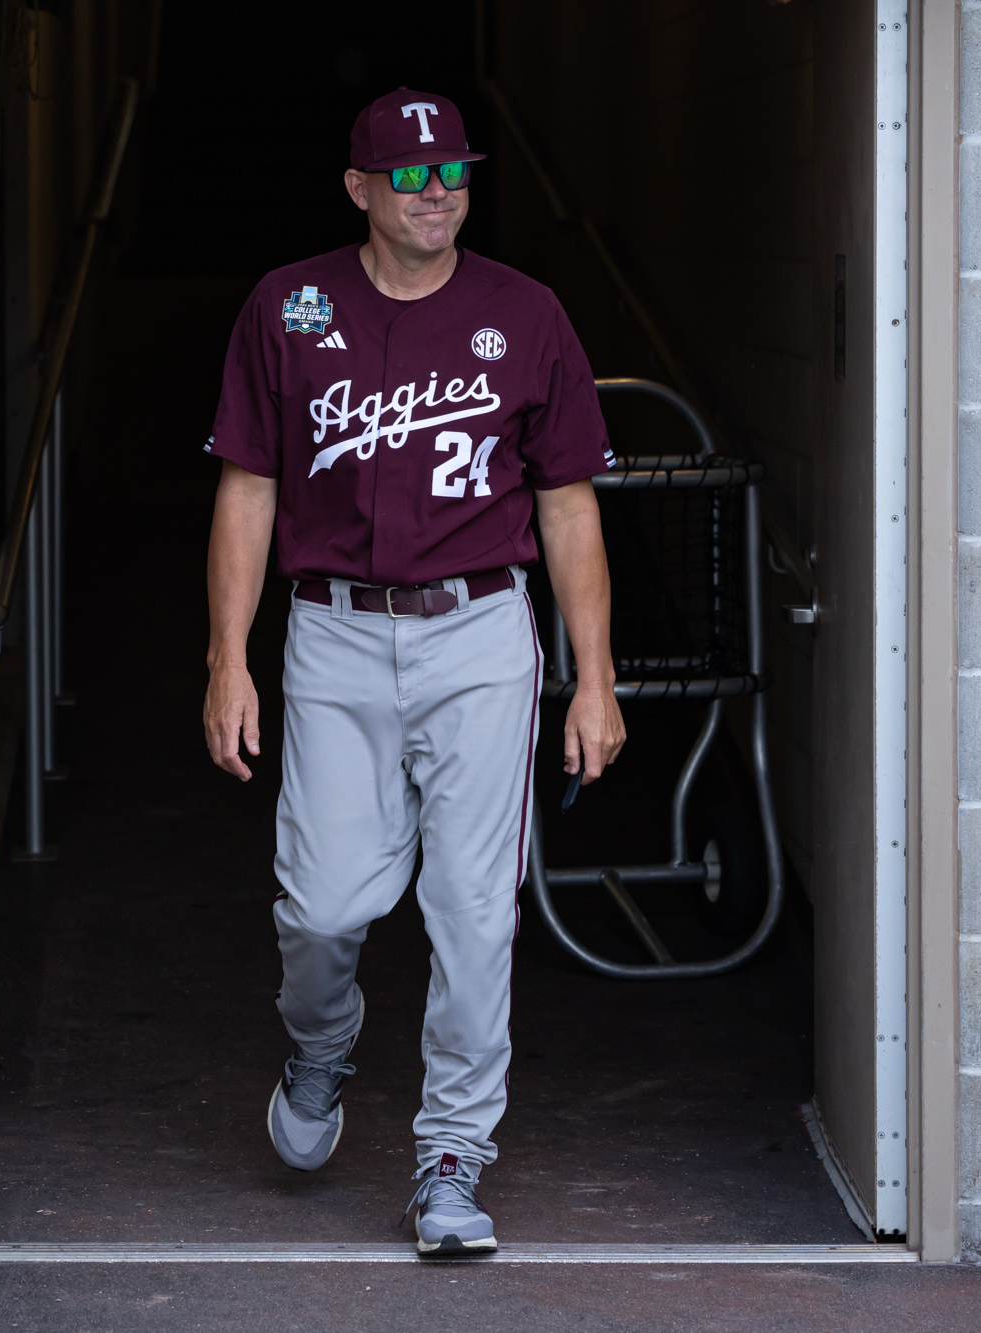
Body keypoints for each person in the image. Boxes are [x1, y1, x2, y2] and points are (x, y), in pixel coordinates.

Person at [200, 86, 626, 1255]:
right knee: (323, 906)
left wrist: (592, 677)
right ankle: (322, 1045)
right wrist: (224, 660)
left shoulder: (524, 312)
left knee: (474, 911)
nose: (435, 192)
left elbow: (566, 506)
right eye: (410, 174)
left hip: (479, 632)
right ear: (358, 189)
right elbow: (247, 487)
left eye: (452, 174)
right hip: (332, 631)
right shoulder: (286, 308)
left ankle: (450, 1155)